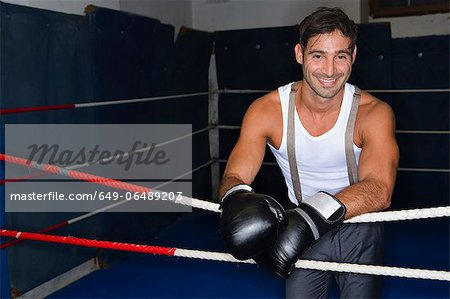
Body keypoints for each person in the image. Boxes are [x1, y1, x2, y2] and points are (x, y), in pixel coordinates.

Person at [218, 7, 399, 298]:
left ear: (352, 57)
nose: (329, 70)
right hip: (299, 229)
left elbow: (379, 189)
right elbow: (236, 174)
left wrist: (309, 219)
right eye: (318, 56)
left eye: (340, 56)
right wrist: (235, 200)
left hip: (359, 228)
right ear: (300, 54)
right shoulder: (267, 111)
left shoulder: (373, 113)